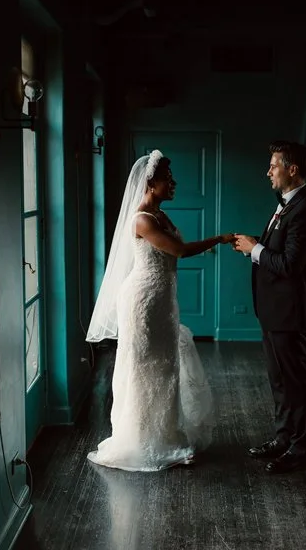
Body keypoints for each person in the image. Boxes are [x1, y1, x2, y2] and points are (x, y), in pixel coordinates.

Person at [85, 149, 235, 472]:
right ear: (151, 183)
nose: (174, 183)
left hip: (163, 300)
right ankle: (142, 440)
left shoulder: (160, 215)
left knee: (166, 367)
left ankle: (165, 436)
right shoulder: (142, 219)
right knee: (146, 369)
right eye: (169, 178)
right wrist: (219, 239)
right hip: (144, 302)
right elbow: (179, 251)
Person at [232, 141, 306, 475]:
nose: (268, 171)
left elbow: (290, 264)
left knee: (296, 382)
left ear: (292, 169)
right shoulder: (287, 205)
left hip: (290, 313)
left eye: (273, 165)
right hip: (273, 311)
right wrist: (251, 247)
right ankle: (284, 438)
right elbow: (276, 251)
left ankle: (302, 448)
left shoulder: (305, 210)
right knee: (280, 380)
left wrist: (255, 248)